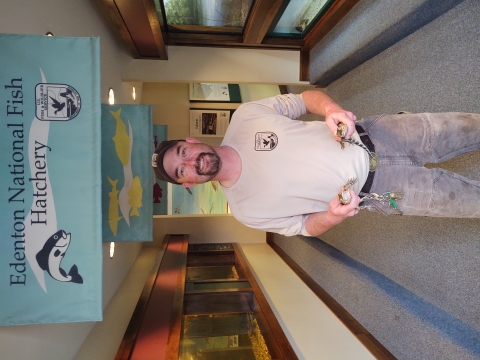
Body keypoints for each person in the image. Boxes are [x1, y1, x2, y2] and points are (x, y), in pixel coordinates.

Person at [152, 90, 480, 236]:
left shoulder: (245, 117)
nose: (192, 162)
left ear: (190, 141)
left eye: (183, 152)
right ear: (189, 184)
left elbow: (304, 99)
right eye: (183, 170)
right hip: (384, 192)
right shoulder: (246, 212)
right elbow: (304, 227)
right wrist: (332, 216)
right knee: (472, 203)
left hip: (382, 134)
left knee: (471, 128)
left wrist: (330, 110)